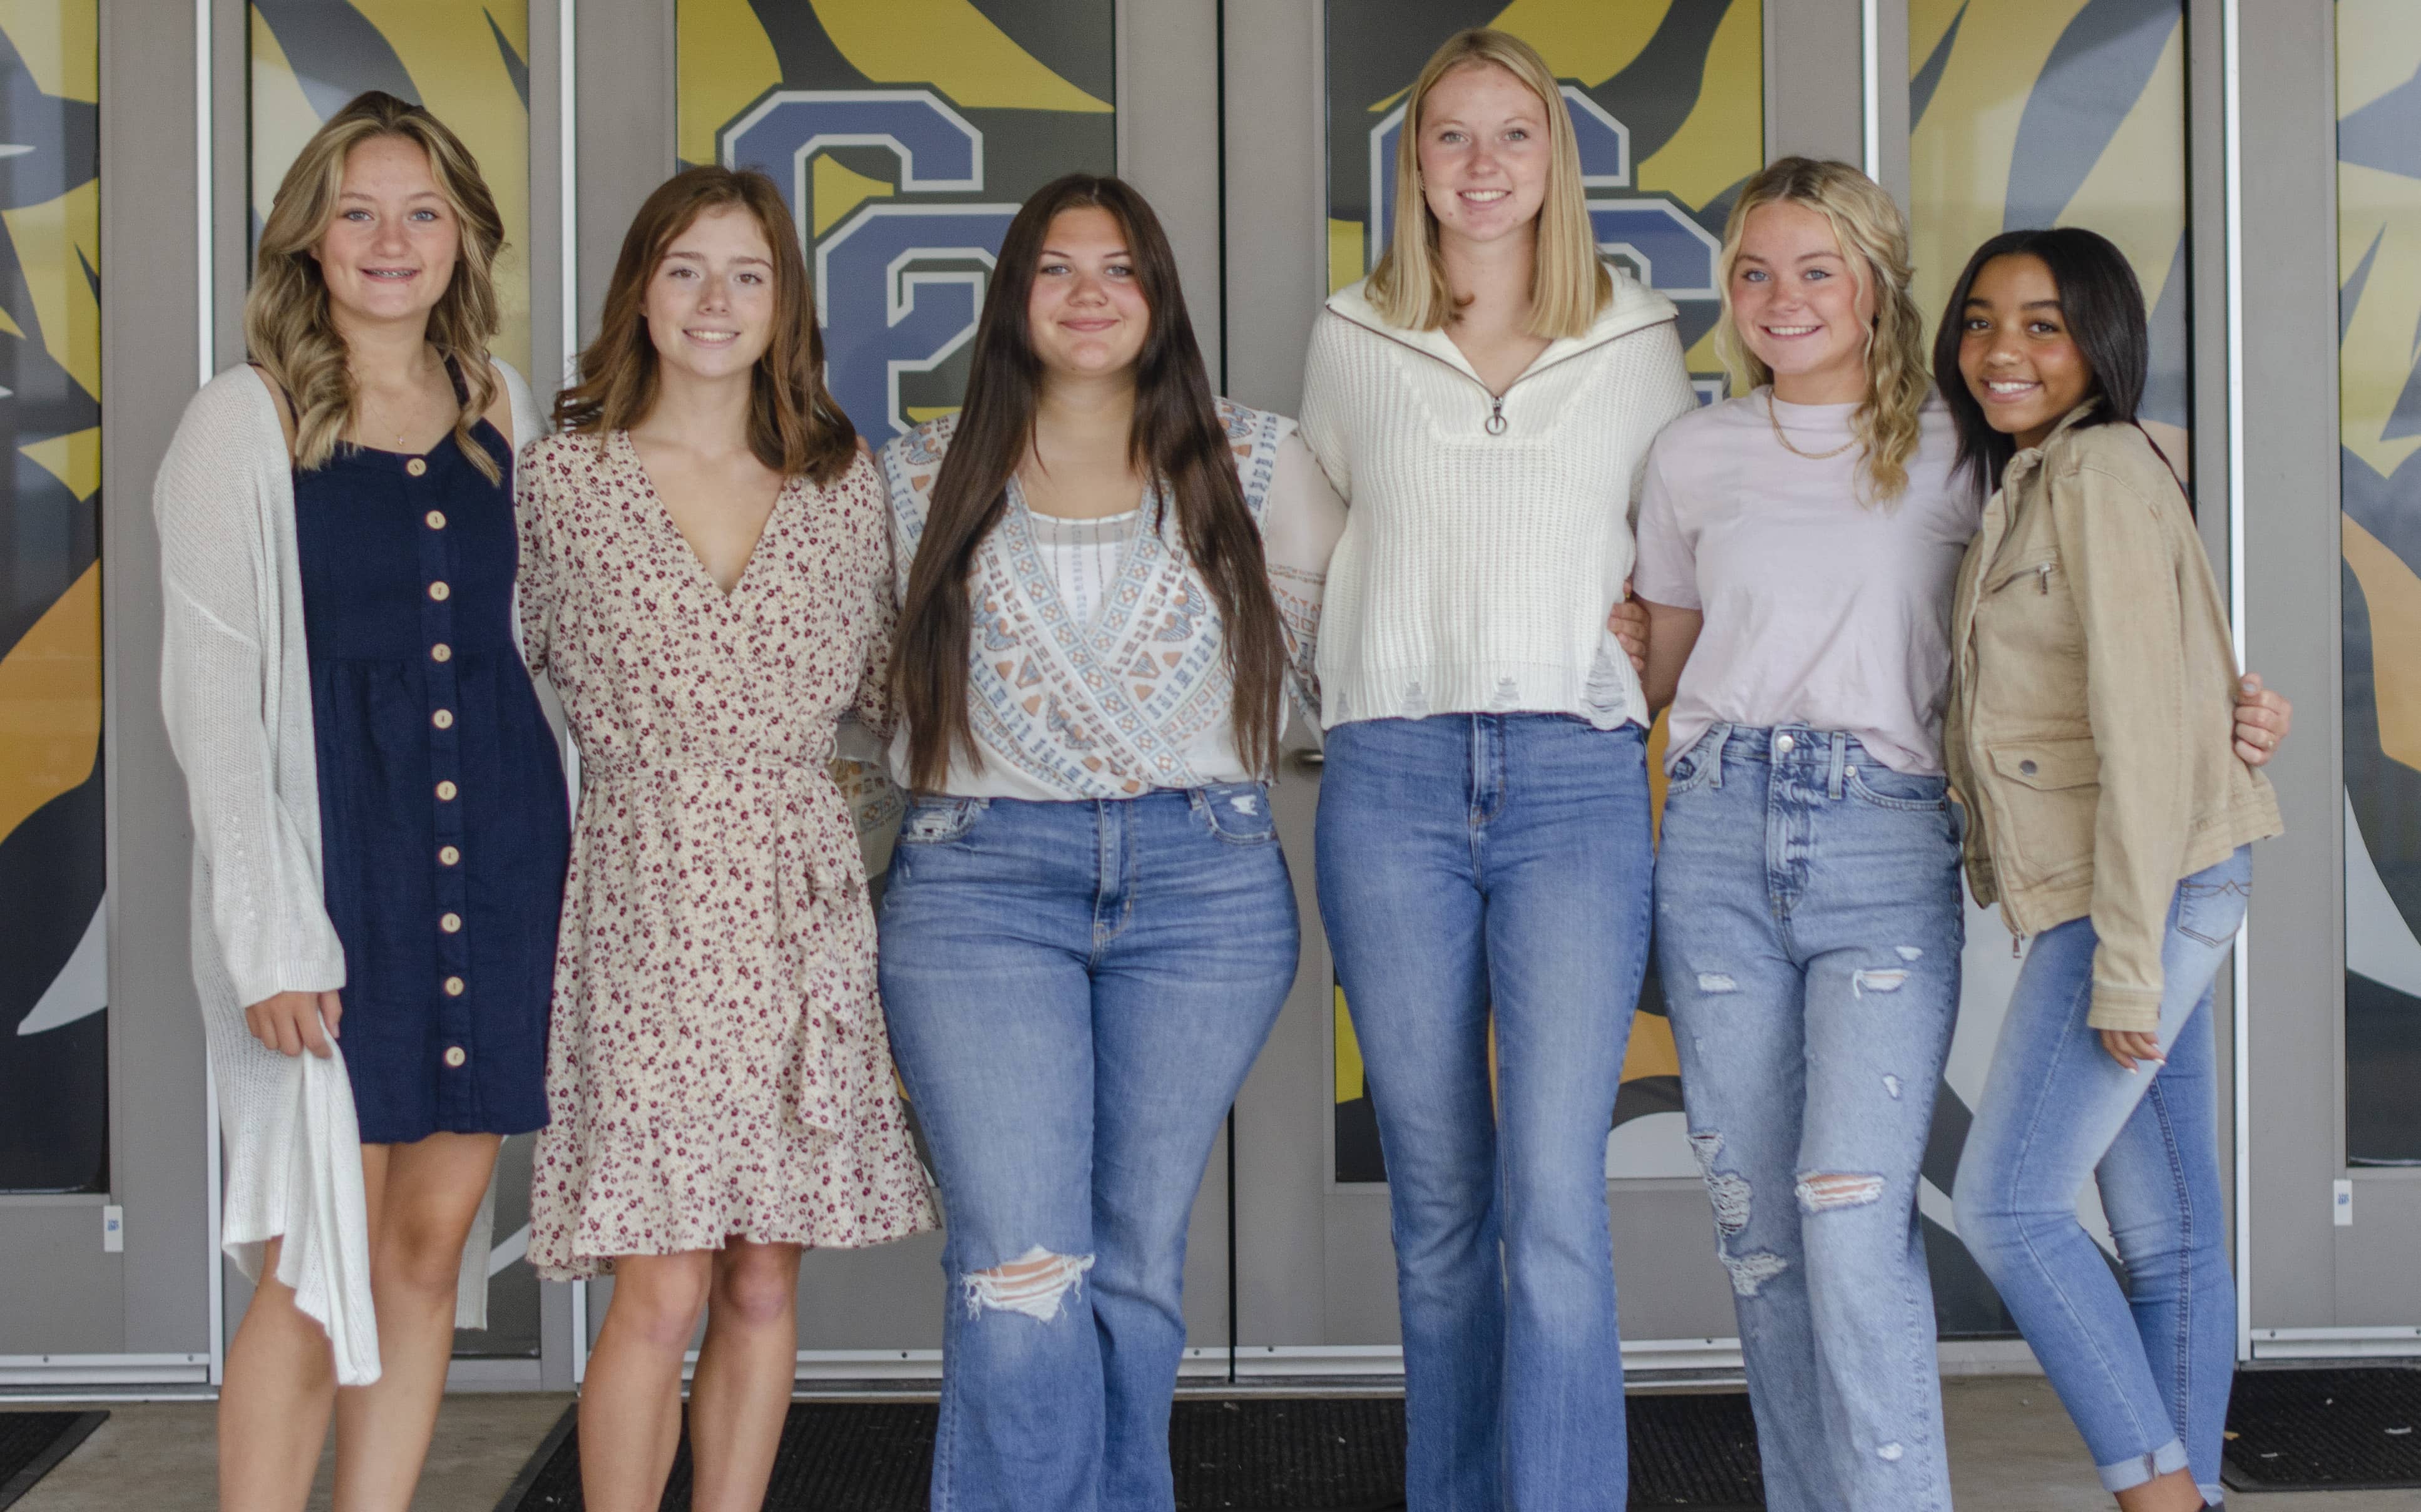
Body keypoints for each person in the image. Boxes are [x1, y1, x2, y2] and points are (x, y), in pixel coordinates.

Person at [1636, 161, 2296, 1512]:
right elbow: (1665, 657)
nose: (1781, 298)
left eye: (1816, 268)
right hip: (1714, 827)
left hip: (1884, 836)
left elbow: (2122, 594)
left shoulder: (1970, 440)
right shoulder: (1691, 452)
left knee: (1857, 1206)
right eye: (1753, 272)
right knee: (1762, 1231)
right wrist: (1576, 636)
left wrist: (2222, 705)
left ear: (1877, 283)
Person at [874, 172, 1345, 1512]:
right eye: (1058, 268)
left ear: (1160, 299)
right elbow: (847, 700)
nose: (1091, 295)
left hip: (1201, 885)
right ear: (1013, 297)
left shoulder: (1256, 461)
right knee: (1020, 1262)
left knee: (1134, 1259)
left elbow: (1366, 643)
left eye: (1122, 268)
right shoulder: (912, 477)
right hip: (975, 890)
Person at [1295, 28, 1692, 1509]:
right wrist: (1330, 692)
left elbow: (1680, 566)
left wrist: (1629, 670)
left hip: (1574, 787)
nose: (1479, 165)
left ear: (1553, 162)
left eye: (1509, 136)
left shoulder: (1637, 341)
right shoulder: (1352, 336)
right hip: (1392, 781)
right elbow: (1305, 548)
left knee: (1553, 1200)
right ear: (1413, 166)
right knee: (1440, 1199)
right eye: (1448, 137)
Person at [156, 91, 563, 1511]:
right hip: (339, 876)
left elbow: (543, 648)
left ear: (463, 235)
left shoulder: (501, 405)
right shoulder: (242, 416)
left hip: (498, 859)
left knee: (430, 1241)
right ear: (307, 240)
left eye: (422, 212)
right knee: (314, 1247)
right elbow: (210, 712)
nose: (391, 241)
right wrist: (271, 941)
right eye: (357, 211)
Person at [517, 166, 935, 1512]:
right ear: (640, 287)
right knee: (662, 1274)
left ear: (783, 302)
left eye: (747, 274)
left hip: (798, 902)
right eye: (686, 268)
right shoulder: (560, 479)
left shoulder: (837, 480)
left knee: (763, 1267)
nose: (714, 300)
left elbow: (895, 701)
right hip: (642, 902)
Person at [1942, 228, 2281, 1512]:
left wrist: (2127, 968)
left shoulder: (2091, 473)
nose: (2000, 351)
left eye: (2041, 323)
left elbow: (2142, 733)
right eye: (1979, 321)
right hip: (2158, 870)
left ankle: (2158, 1494)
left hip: (2130, 886)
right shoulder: (2038, 477)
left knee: (2010, 1206)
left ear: (2100, 339)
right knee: (2166, 1227)